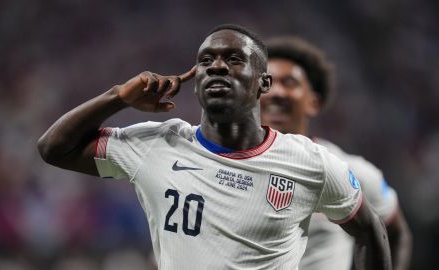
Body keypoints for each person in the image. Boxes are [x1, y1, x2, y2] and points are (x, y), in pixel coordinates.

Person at [38, 24, 391, 270]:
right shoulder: (158, 143)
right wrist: (118, 97)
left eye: (234, 59)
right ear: (195, 82)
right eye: (206, 61)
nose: (217, 67)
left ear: (262, 82)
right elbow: (55, 148)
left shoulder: (308, 162)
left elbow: (369, 228)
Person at [261, 37, 411, 270]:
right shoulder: (228, 166)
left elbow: (396, 233)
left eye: (289, 82)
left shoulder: (349, 171)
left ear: (314, 102)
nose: (277, 92)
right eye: (268, 83)